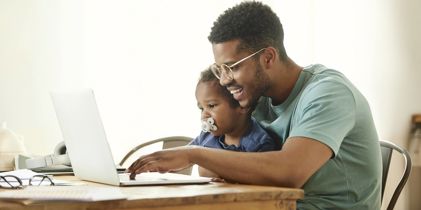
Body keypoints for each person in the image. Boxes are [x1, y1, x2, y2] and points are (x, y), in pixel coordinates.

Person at [128, 1, 382, 209]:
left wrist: (192, 154)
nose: (226, 79)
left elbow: (289, 171)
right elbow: (219, 153)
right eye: (220, 69)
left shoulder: (328, 93)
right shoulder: (256, 99)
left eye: (233, 67)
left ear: (268, 57)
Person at [191, 68, 280, 178]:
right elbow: (184, 154)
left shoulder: (259, 144)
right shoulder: (205, 137)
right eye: (201, 108)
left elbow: (261, 180)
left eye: (211, 106)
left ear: (242, 105)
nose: (204, 115)